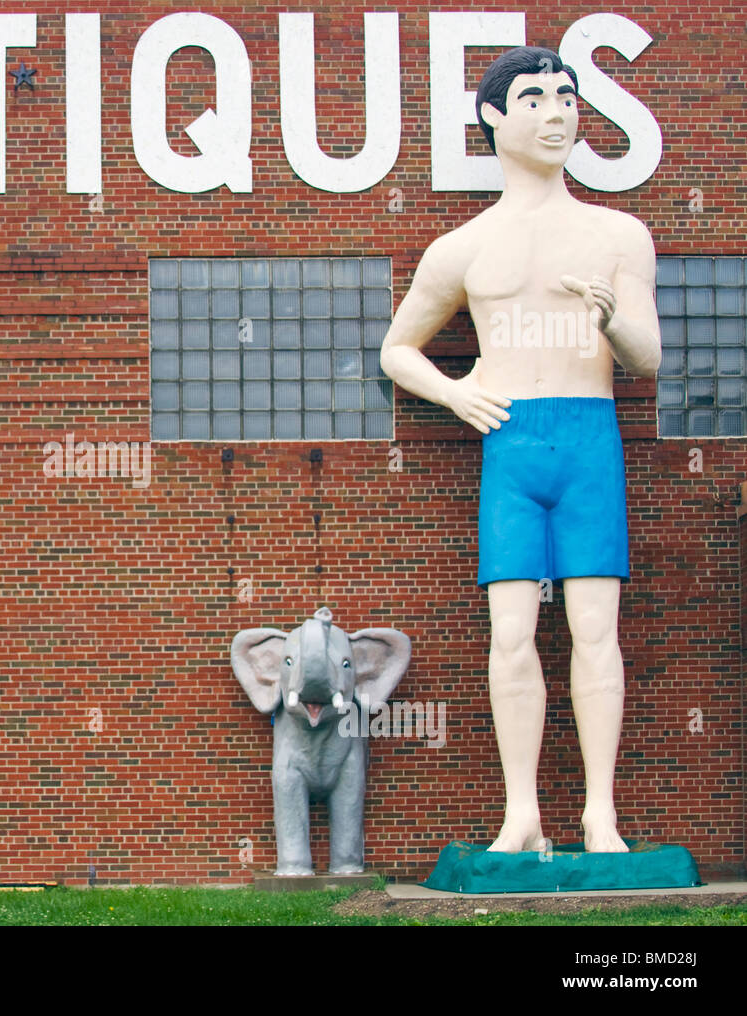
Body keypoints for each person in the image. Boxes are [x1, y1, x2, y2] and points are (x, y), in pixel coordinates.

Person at [379, 46, 662, 853]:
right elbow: (398, 350)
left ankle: (600, 813)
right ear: (495, 117)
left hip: (588, 437)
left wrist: (609, 319)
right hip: (509, 442)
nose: (557, 110)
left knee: (595, 628)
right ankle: (522, 812)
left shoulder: (617, 233)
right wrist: (457, 391)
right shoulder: (463, 247)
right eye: (534, 96)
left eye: (567, 96)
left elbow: (649, 356)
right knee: (511, 632)